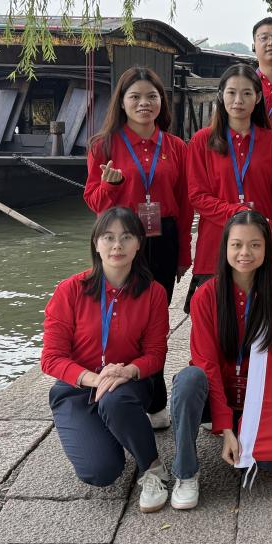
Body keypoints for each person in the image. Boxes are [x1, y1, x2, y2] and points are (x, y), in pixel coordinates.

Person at [41, 207, 172, 512]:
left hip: (128, 385)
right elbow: (51, 358)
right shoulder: (70, 290)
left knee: (115, 400)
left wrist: (127, 371)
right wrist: (96, 378)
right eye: (108, 237)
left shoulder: (153, 293)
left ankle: (153, 468)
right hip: (77, 389)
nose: (117, 246)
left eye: (126, 237)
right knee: (101, 472)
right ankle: (102, 428)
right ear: (96, 243)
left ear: (138, 243)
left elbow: (155, 354)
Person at [84, 66, 193, 427]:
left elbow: (185, 204)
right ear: (122, 102)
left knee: (155, 318)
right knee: (121, 319)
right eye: (135, 97)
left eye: (151, 96)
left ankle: (155, 400)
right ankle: (118, 394)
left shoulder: (176, 147)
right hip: (120, 240)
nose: (144, 103)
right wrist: (111, 185)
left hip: (164, 239)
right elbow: (94, 202)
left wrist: (184, 253)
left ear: (162, 102)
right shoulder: (104, 145)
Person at [168, 212, 272, 508]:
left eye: (255, 245)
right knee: (189, 380)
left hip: (258, 400)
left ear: (267, 249)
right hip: (216, 392)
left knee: (267, 465)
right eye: (237, 245)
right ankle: (186, 473)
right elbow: (207, 365)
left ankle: (245, 428)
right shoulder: (206, 296)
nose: (245, 253)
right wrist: (226, 427)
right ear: (225, 247)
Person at [186, 64, 272, 290]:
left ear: (258, 98)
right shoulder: (202, 140)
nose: (238, 100)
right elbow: (197, 196)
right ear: (221, 96)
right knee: (213, 309)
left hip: (260, 243)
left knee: (260, 309)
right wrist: (235, 212)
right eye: (231, 92)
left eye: (247, 93)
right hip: (216, 243)